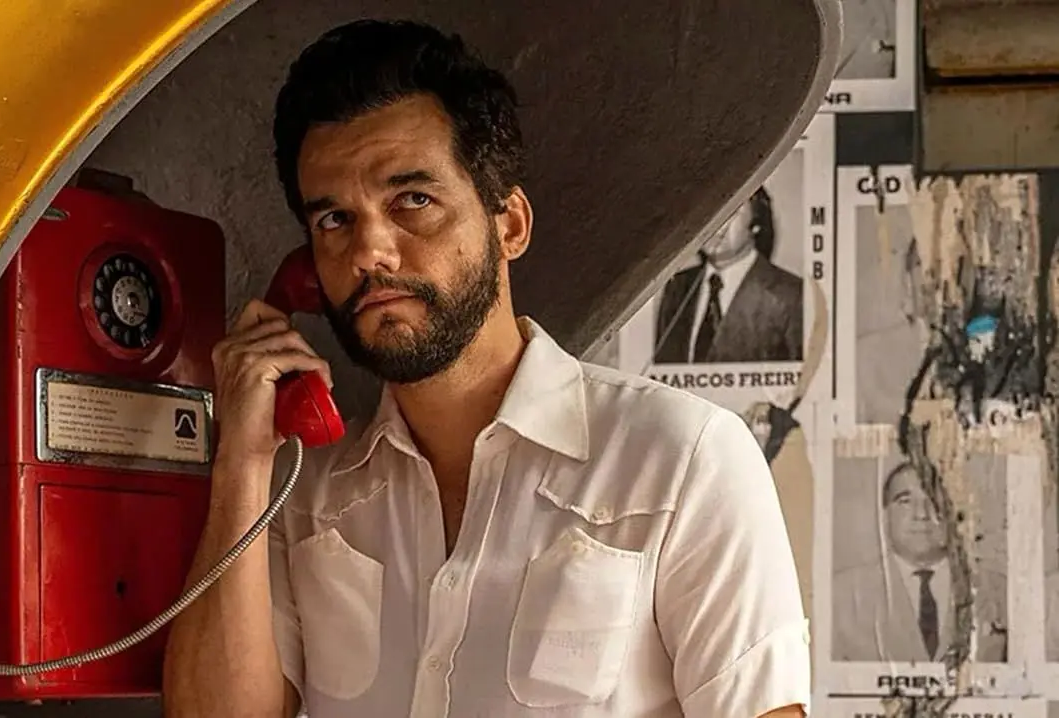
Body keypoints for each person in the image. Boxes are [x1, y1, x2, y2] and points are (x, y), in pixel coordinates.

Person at [164, 19, 808, 718]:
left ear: (510, 225)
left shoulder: (681, 460)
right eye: (334, 221)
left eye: (413, 201)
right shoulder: (303, 495)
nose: (370, 251)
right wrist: (242, 459)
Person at [832, 461, 1007, 663]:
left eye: (935, 500)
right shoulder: (841, 595)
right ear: (884, 516)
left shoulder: (1000, 591)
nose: (922, 514)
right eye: (905, 501)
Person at [652, 187, 804, 365]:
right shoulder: (676, 286)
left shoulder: (792, 294)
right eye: (706, 213)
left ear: (756, 224)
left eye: (731, 212)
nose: (716, 225)